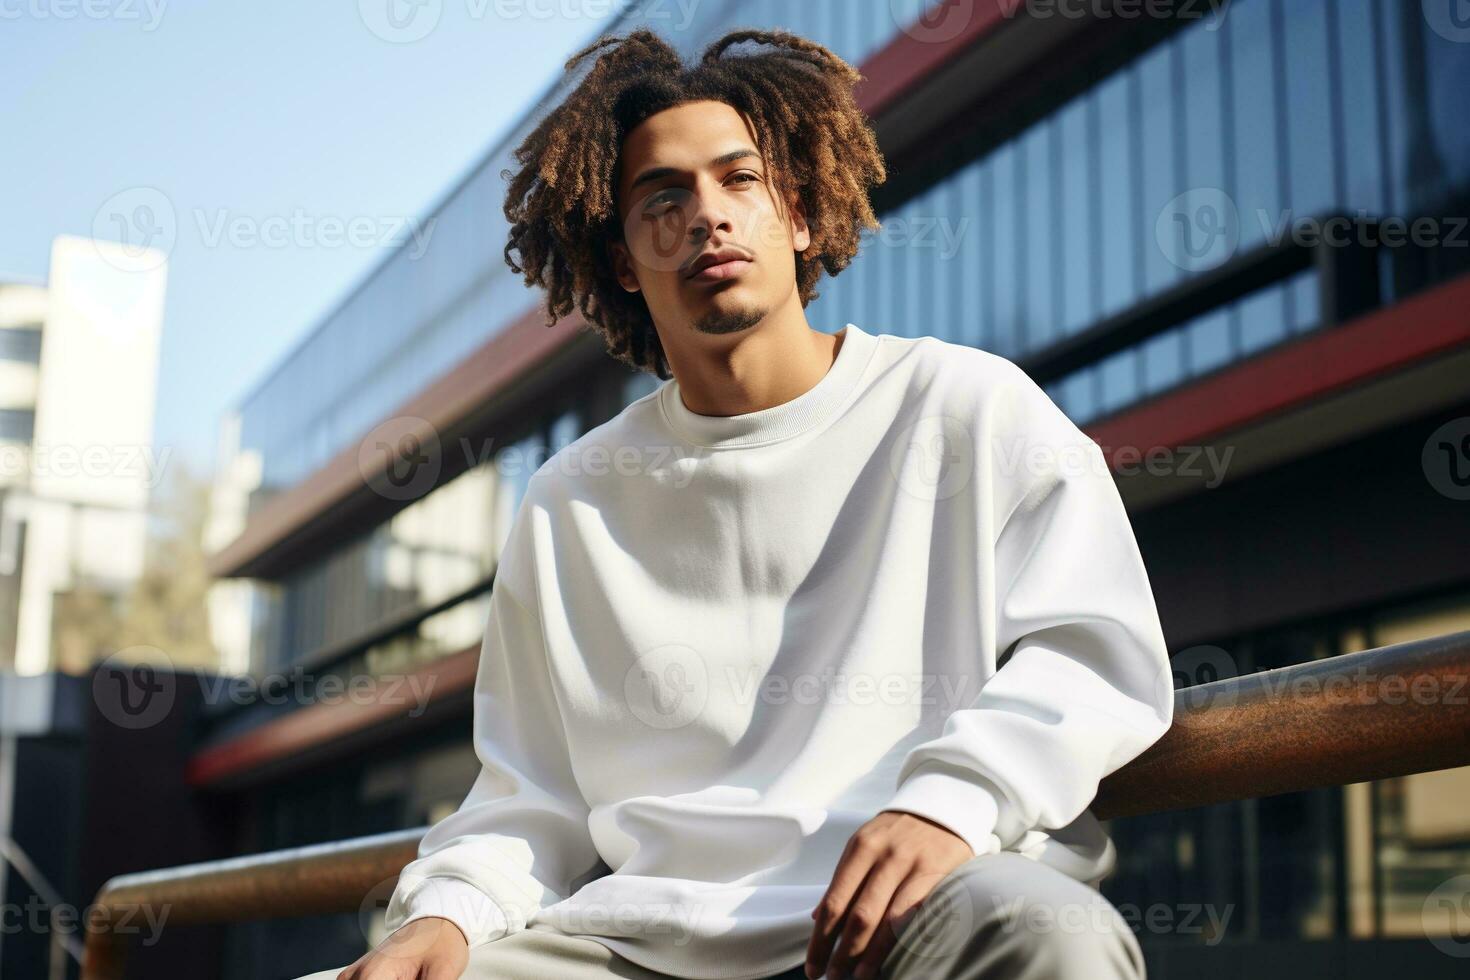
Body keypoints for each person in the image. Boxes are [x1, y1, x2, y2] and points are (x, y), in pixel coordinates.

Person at [295, 26, 1169, 980]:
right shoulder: (569, 502)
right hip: (634, 950)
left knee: (1052, 933)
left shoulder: (962, 405)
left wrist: (953, 800)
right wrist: (449, 916)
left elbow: (1095, 652)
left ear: (796, 216)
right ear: (624, 261)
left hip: (900, 917)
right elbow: (528, 795)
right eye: (662, 198)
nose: (707, 216)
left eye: (739, 180)